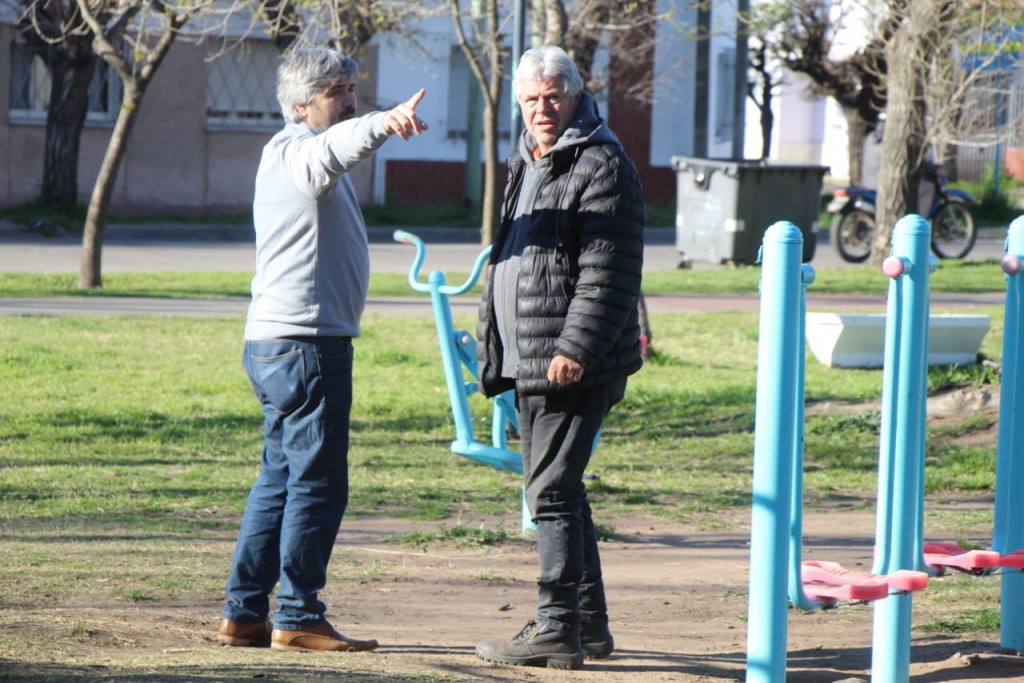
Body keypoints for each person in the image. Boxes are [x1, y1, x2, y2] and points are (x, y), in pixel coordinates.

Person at [216, 46, 427, 653]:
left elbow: (335, 151)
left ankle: (244, 613)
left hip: (281, 344)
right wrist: (383, 122)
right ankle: (299, 616)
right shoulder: (299, 153)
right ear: (302, 104)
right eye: (338, 91)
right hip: (307, 347)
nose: (352, 98)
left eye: (354, 88)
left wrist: (371, 122)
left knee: (279, 480)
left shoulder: (287, 155)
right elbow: (334, 148)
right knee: (317, 484)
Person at [474, 45, 645, 670]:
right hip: (531, 358)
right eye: (530, 99)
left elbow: (609, 270)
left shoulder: (600, 162)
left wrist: (574, 347)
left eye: (552, 96)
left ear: (576, 94)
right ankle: (587, 628)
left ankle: (554, 629)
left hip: (569, 362)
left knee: (548, 493)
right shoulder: (532, 158)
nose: (541, 109)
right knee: (561, 490)